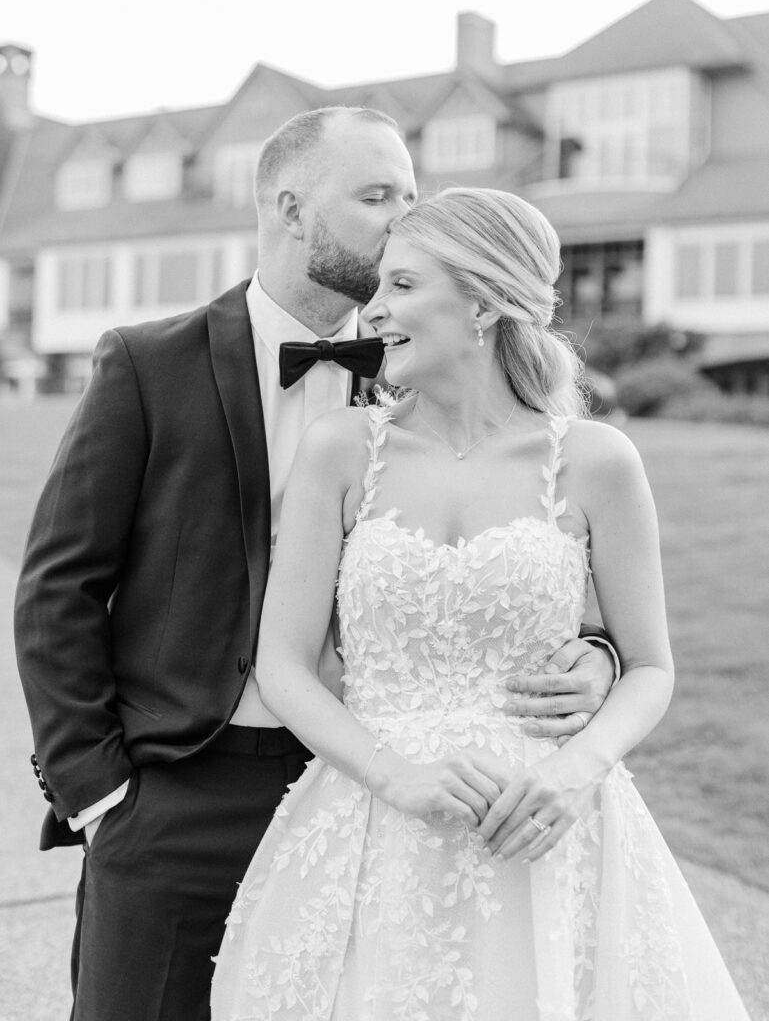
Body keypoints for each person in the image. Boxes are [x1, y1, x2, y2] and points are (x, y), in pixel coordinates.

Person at [13, 110, 617, 1021]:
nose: (402, 219)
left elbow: (521, 550)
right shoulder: (148, 364)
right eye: (377, 197)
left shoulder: (433, 363)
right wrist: (102, 797)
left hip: (381, 813)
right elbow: (58, 591)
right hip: (182, 791)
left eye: (411, 196)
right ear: (292, 209)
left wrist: (597, 655)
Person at [210, 187, 751, 1020]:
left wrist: (576, 772)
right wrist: (398, 779)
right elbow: (282, 665)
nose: (375, 308)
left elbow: (649, 667)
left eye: (400, 286)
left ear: (483, 301)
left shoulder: (598, 461)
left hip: (546, 831)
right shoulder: (343, 451)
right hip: (377, 818)